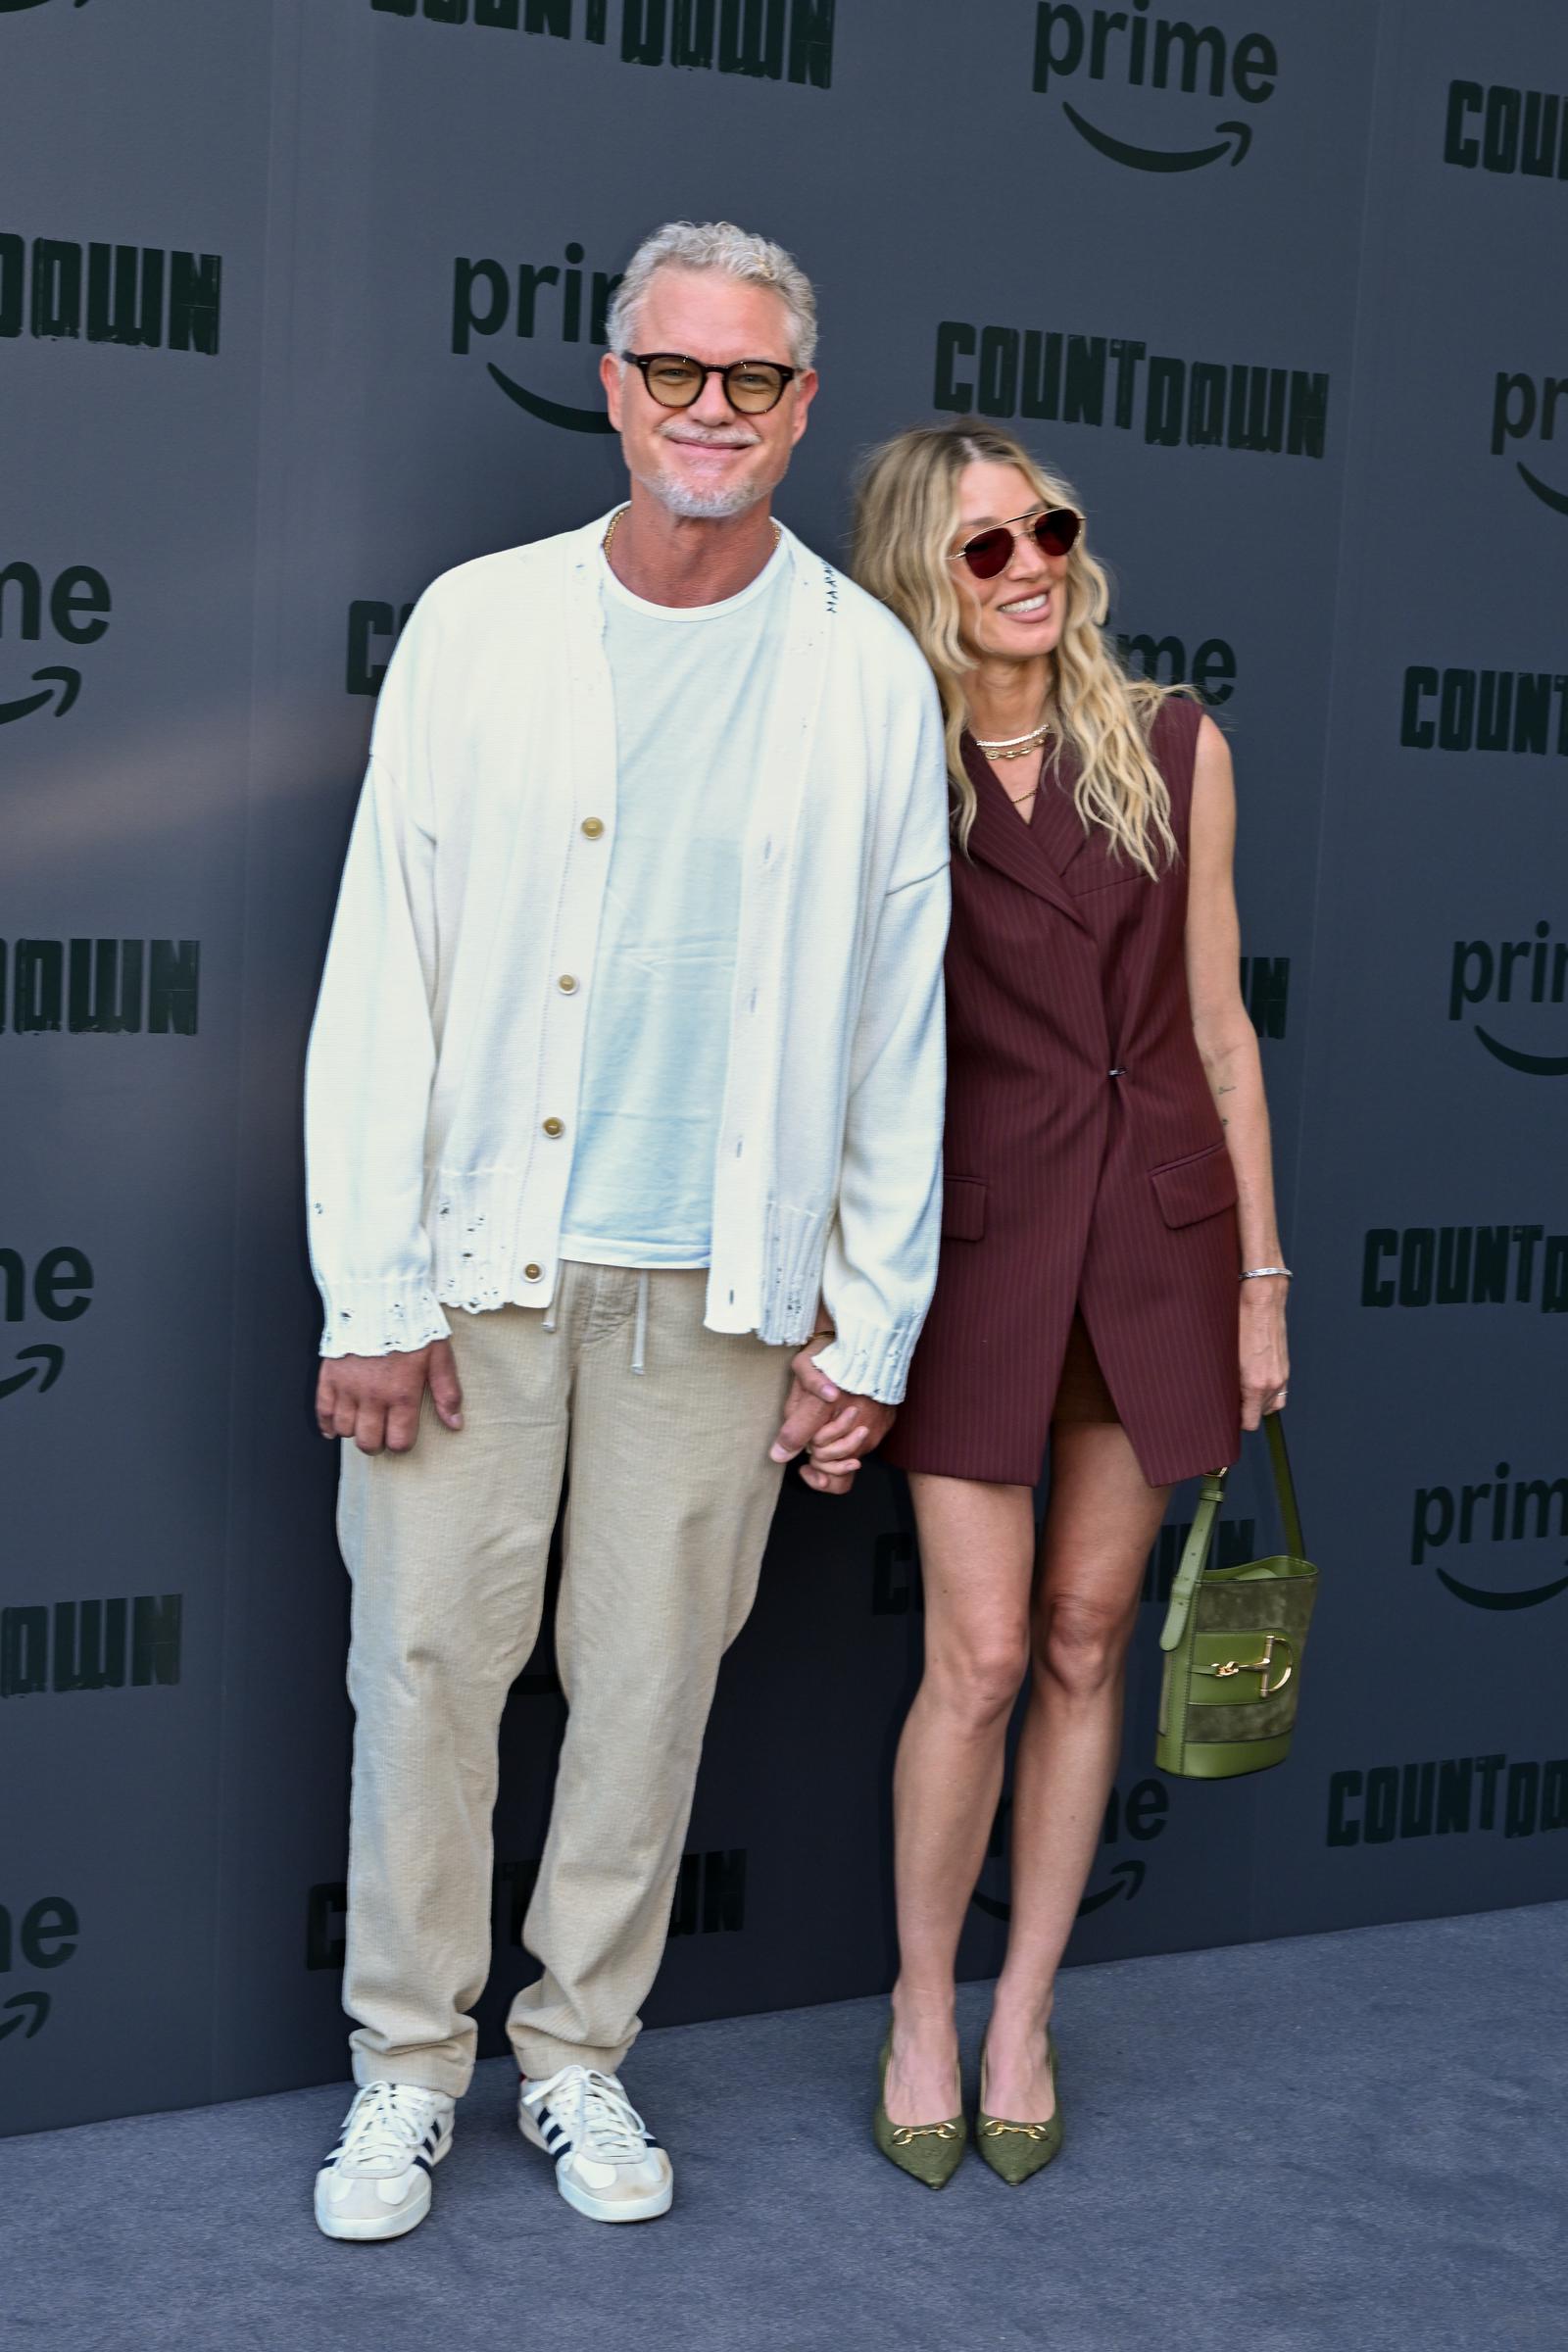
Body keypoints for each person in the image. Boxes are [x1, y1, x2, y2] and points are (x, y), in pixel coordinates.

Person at [304, 221, 949, 2240]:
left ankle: (573, 2057)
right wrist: (370, 1287)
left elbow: (891, 1018)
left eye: (750, 380)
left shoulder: (861, 670)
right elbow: (378, 980)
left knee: (649, 1694)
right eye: (673, 370)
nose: (708, 409)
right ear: (612, 385)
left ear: (798, 407)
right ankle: (404, 2073)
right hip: (474, 1270)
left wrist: (868, 1324)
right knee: (423, 1673)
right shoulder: (479, 628)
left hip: (719, 1281)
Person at [850, 421, 1289, 2187]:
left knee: (1093, 1639)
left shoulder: (1174, 743)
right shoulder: (887, 768)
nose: (1029, 563)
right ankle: (920, 2008)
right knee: (980, 1652)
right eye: (982, 546)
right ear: (918, 573)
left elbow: (1219, 1033)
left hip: (1159, 1253)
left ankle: (1026, 2005)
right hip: (970, 1259)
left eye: (1047, 528)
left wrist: (1260, 1279)